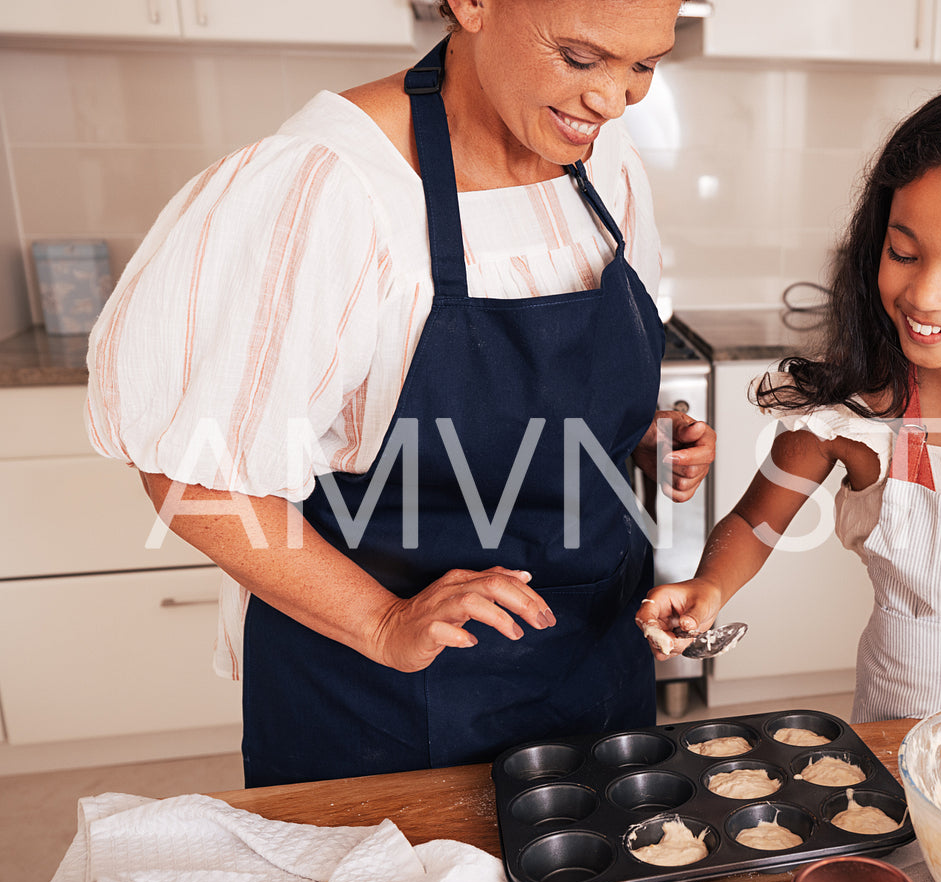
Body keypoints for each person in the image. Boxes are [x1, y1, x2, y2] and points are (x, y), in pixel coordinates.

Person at [84, 0, 714, 786]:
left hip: (591, 655)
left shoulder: (604, 162)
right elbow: (193, 477)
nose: (612, 100)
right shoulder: (323, 187)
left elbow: (545, 396)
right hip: (382, 694)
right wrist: (384, 622)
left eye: (643, 65)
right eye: (581, 58)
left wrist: (639, 429)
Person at [638, 77, 941, 721]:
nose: (924, 295)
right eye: (903, 252)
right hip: (896, 734)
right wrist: (708, 586)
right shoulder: (856, 413)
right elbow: (753, 524)